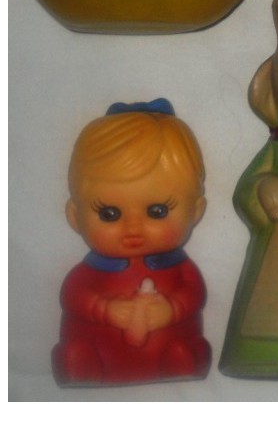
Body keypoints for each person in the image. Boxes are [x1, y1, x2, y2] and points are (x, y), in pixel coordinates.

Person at [52, 100, 211, 385]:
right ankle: (81, 364)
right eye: (109, 214)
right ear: (75, 217)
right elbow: (73, 296)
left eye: (157, 211)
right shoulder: (88, 273)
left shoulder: (181, 269)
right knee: (77, 354)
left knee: (183, 351)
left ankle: (180, 359)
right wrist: (105, 309)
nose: (133, 228)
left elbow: (193, 294)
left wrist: (172, 309)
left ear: (195, 211)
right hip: (98, 354)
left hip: (169, 351)